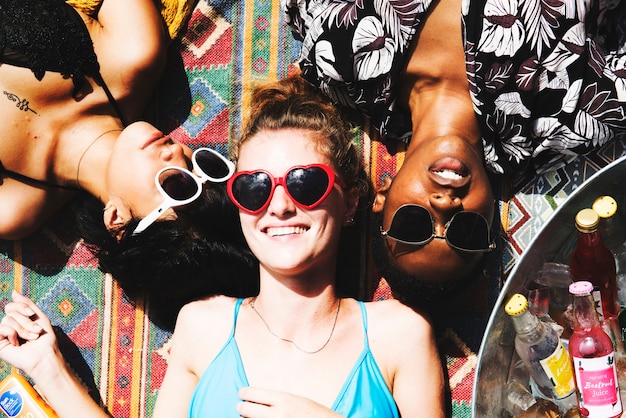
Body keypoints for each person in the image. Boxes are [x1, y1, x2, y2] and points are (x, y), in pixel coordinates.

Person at [0, 76, 445, 417]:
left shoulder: (399, 335)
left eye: (305, 182)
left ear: (349, 201)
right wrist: (47, 367)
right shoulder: (203, 328)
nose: (281, 205)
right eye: (254, 188)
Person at [283, 0, 626, 307]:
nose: (445, 205)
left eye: (413, 223)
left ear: (382, 197)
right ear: (493, 220)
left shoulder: (338, 61)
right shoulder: (565, 120)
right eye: (467, 232)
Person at [0, 0, 259, 328]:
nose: (178, 154)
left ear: (117, 220)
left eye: (177, 185)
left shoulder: (14, 207)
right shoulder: (135, 53)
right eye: (206, 166)